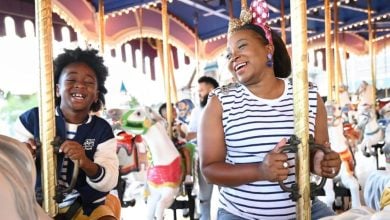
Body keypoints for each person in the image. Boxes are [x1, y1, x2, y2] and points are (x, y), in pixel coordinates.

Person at [198, 1, 342, 220]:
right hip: (242, 214)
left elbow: (317, 151)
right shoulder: (221, 102)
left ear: (268, 49)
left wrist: (321, 161)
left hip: (304, 208)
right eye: (228, 55)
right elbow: (209, 170)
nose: (233, 57)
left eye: (242, 46)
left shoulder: (307, 95)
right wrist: (260, 171)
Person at [14, 47, 120, 220]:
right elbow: (9, 163)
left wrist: (85, 162)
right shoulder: (33, 119)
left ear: (96, 95)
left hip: (85, 205)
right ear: (57, 89)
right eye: (71, 80)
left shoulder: (101, 129)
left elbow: (110, 179)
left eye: (89, 82)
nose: (79, 85)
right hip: (34, 202)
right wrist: (24, 154)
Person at [186, 75, 219, 220]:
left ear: (211, 89)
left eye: (201, 90)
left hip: (227, 155)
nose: (199, 94)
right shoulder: (196, 111)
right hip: (205, 155)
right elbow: (190, 134)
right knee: (204, 196)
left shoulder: (226, 106)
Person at [158, 102, 193, 184]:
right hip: (167, 146)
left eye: (175, 110)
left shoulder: (179, 123)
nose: (175, 112)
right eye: (172, 111)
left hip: (178, 145)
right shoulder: (162, 125)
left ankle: (188, 175)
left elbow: (184, 136)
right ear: (165, 115)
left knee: (186, 152)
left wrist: (179, 129)